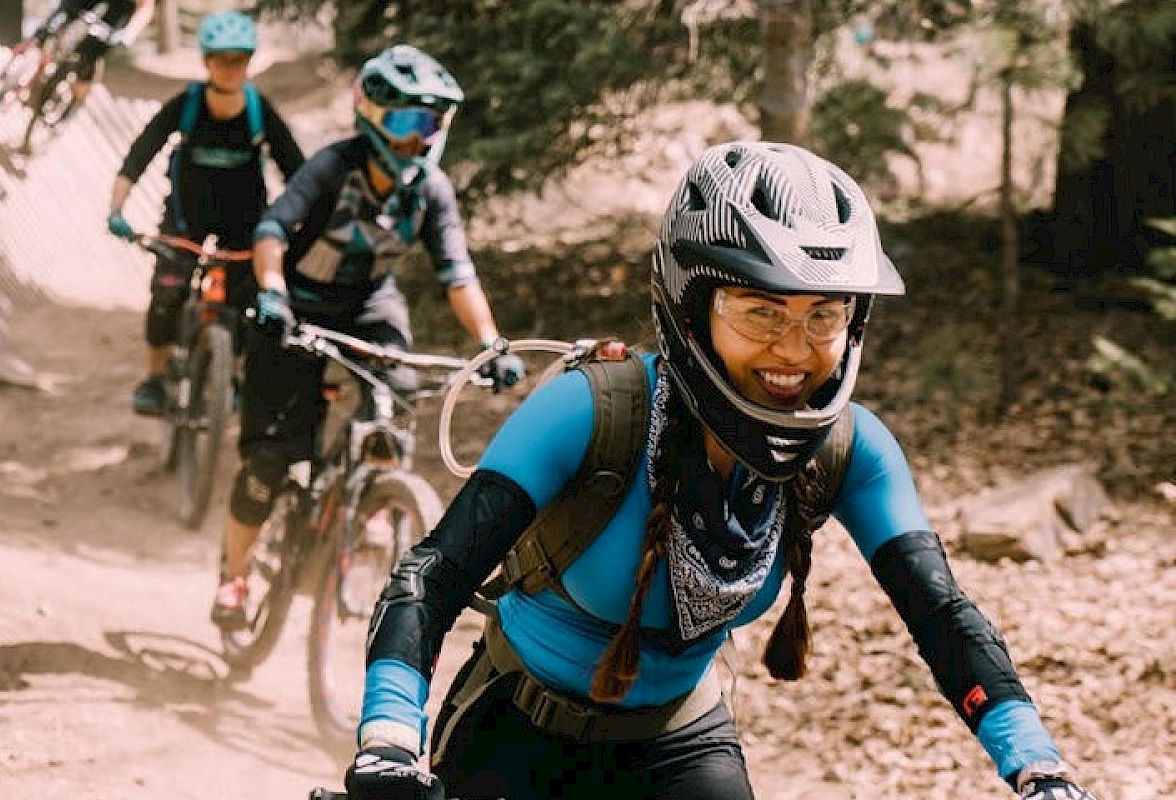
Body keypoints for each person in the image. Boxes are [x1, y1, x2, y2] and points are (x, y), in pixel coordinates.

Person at [343, 142, 1101, 800]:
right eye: (760, 311)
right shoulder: (588, 413)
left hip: (680, 743)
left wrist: (1038, 766)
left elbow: (940, 613)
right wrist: (387, 738)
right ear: (691, 306)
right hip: (516, 733)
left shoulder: (852, 450)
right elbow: (432, 575)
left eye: (824, 315)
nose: (795, 350)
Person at [209, 44, 524, 629]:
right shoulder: (334, 167)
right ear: (373, 117)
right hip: (297, 309)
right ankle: (235, 576)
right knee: (270, 459)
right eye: (407, 121)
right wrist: (272, 292)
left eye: (432, 123)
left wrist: (490, 341)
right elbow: (272, 230)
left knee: (392, 404)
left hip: (369, 307)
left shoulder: (430, 189)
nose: (419, 139)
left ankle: (375, 503)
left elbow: (458, 274)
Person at [107, 11, 305, 415]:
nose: (230, 68)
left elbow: (299, 174)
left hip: (245, 224)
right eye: (221, 59)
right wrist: (117, 208)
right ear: (206, 61)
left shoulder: (259, 110)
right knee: (167, 292)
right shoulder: (187, 105)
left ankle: (229, 375)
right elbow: (139, 154)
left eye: (239, 59)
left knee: (248, 305)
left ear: (249, 62)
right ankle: (155, 379)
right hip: (185, 221)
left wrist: (299, 222)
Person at [24, 0, 156, 107]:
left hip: (121, 6)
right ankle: (33, 73)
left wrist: (128, 35)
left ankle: (78, 91)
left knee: (93, 46)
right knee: (59, 18)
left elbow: (146, 7)